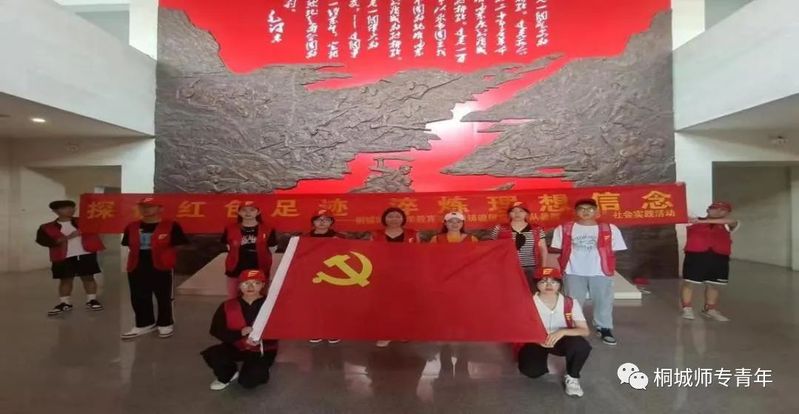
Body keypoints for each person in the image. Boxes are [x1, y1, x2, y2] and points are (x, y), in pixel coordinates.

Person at [551, 198, 626, 346]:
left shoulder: (610, 228)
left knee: (603, 301)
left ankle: (604, 327)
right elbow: (559, 249)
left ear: (596, 211)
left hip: (600, 271)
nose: (586, 212)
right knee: (573, 301)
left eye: (590, 209)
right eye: (582, 209)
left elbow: (614, 250)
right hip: (573, 271)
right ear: (575, 211)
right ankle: (573, 328)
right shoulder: (564, 228)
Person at [120, 197, 189, 340]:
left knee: (163, 295)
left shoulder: (171, 225)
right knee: (139, 295)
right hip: (137, 264)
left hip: (162, 265)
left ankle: (165, 323)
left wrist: (166, 255)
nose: (146, 209)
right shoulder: (132, 226)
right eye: (143, 206)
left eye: (150, 206)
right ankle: (144, 323)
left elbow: (180, 244)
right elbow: (127, 243)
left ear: (160, 208)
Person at [517, 267, 591, 397]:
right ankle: (540, 360)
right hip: (535, 341)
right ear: (536, 284)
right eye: (543, 281)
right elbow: (518, 329)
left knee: (581, 346)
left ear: (560, 284)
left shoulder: (570, 303)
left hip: (561, 340)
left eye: (553, 282)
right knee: (532, 372)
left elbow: (584, 330)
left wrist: (562, 332)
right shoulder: (527, 303)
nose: (549, 285)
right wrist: (537, 340)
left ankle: (572, 376)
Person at [201, 269, 278, 391]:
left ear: (263, 285)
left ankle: (262, 369)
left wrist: (262, 340)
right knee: (214, 354)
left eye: (256, 283)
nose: (250, 287)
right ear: (239, 285)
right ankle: (229, 374)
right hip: (236, 346)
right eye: (246, 283)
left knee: (248, 382)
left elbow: (280, 330)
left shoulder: (271, 306)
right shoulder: (227, 306)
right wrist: (239, 333)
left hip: (262, 349)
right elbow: (217, 330)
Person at [35, 200, 105, 316]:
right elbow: (42, 241)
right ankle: (65, 303)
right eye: (65, 208)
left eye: (72, 207)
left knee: (88, 277)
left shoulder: (84, 222)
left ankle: (91, 300)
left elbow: (101, 224)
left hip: (85, 253)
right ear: (55, 211)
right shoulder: (46, 227)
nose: (70, 210)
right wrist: (67, 238)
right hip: (62, 256)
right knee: (65, 279)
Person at [681, 201, 739, 322]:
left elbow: (732, 221)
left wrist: (701, 221)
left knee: (714, 284)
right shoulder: (694, 221)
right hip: (696, 255)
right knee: (689, 283)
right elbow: (677, 215)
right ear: (708, 210)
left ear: (727, 212)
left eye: (723, 210)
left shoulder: (727, 224)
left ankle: (710, 309)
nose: (719, 211)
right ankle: (687, 308)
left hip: (718, 257)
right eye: (715, 208)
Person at [369, 207, 418, 347]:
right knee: (385, 305)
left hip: (406, 274)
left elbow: (419, 254)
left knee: (404, 305)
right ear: (384, 219)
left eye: (398, 216)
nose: (394, 219)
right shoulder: (375, 234)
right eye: (390, 216)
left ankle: (403, 332)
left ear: (403, 218)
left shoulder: (413, 233)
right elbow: (370, 253)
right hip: (384, 274)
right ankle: (386, 334)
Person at [221, 201, 278, 299]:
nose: (248, 213)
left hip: (260, 266)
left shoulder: (268, 229)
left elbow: (272, 248)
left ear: (258, 212)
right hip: (236, 267)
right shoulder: (230, 228)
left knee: (260, 297)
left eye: (252, 210)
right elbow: (228, 247)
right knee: (233, 297)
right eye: (244, 210)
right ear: (239, 212)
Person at [490, 201, 548, 291]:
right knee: (510, 291)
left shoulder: (536, 229)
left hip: (530, 267)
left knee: (530, 291)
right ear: (509, 214)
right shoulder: (500, 228)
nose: (517, 214)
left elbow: (543, 249)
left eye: (521, 211)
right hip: (508, 267)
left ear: (526, 213)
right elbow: (492, 248)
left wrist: (543, 267)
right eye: (513, 211)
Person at [306, 209, 343, 344]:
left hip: (334, 276)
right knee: (313, 304)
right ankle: (315, 330)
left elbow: (348, 255)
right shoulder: (304, 238)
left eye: (326, 219)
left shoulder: (340, 237)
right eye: (318, 219)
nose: (322, 222)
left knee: (333, 304)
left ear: (331, 222)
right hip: (312, 275)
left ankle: (333, 330)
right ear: (313, 222)